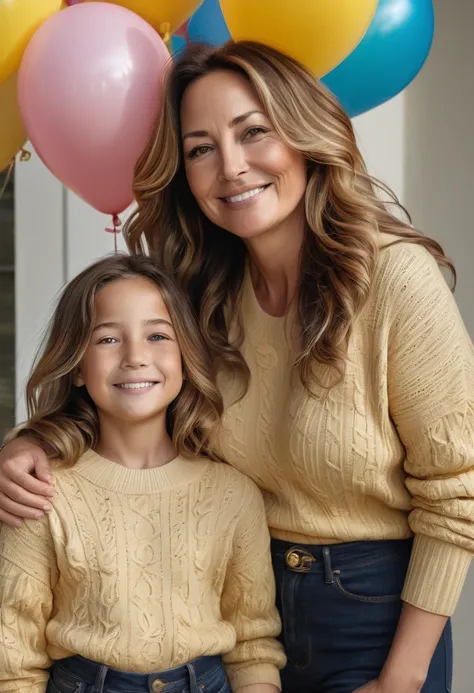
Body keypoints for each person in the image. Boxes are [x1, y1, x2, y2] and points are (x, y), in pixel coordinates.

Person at [1, 41, 474, 693]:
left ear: (303, 137)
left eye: (254, 133)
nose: (231, 167)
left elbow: (459, 488)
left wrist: (402, 676)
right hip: (244, 615)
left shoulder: (394, 278)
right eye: (200, 148)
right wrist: (29, 441)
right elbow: (117, 381)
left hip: (376, 620)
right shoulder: (201, 291)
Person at [0, 254, 285, 693]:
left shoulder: (234, 494)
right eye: (108, 340)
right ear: (77, 366)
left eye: (157, 335)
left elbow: (253, 647)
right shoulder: (39, 491)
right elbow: (13, 659)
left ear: (186, 357)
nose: (136, 357)